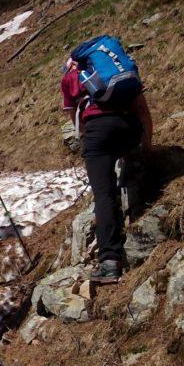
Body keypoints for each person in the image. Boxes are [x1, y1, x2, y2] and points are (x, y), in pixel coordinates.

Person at [62, 58, 154, 283]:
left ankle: (110, 262)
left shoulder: (70, 78)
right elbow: (142, 110)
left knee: (104, 194)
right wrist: (146, 147)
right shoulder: (120, 70)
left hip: (97, 132)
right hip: (128, 127)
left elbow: (77, 122)